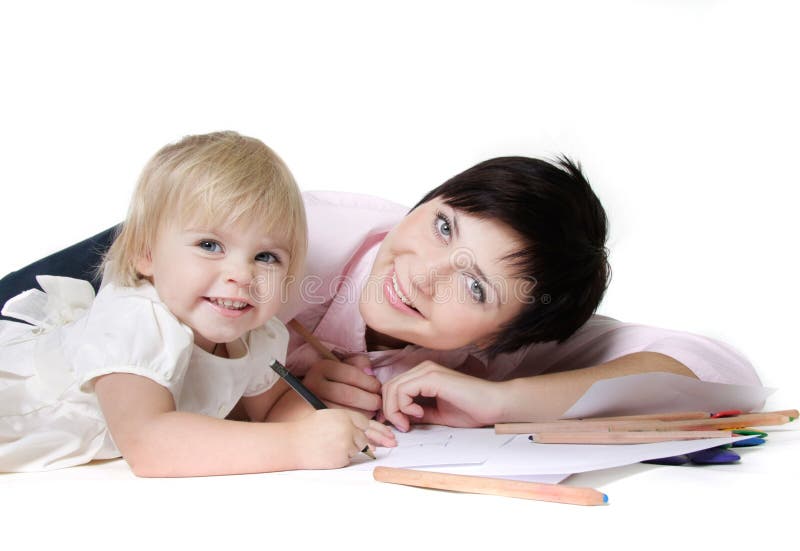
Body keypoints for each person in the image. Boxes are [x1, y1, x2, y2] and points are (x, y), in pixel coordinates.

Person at [0, 156, 762, 439]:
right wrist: (294, 356)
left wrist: (507, 399)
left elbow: (718, 370)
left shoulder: (510, 353)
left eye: (474, 283)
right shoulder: (311, 242)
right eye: (439, 223)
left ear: (508, 334)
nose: (418, 271)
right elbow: (156, 280)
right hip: (114, 302)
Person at [0, 131, 392, 475]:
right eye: (210, 245)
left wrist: (326, 425)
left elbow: (272, 408)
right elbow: (148, 443)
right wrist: (296, 444)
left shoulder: (258, 333)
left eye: (266, 257)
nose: (242, 274)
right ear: (146, 253)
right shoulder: (136, 318)